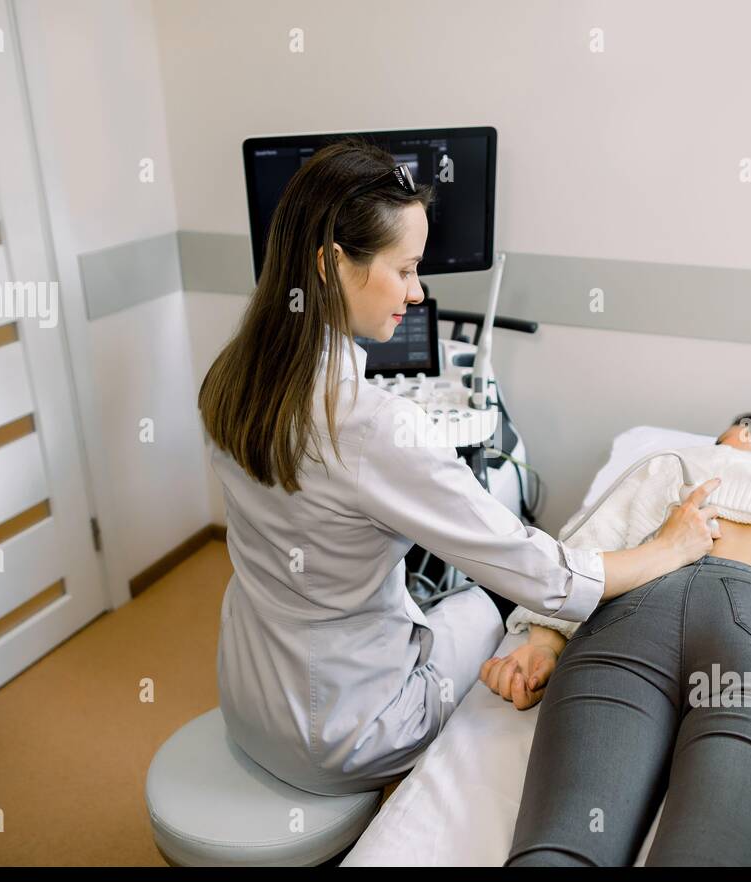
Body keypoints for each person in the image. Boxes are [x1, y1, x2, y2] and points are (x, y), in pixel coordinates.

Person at [196, 139, 722, 796]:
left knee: (436, 579)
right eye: (407, 269)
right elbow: (546, 578)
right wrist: (667, 548)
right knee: (490, 593)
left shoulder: (231, 374)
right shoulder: (372, 425)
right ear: (331, 264)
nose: (417, 294)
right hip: (347, 732)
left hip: (250, 701)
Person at [480, 413, 751, 865]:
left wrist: (545, 639)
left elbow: (591, 539)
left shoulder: (679, 462)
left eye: (727, 430)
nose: (715, 440)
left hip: (632, 612)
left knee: (565, 844)